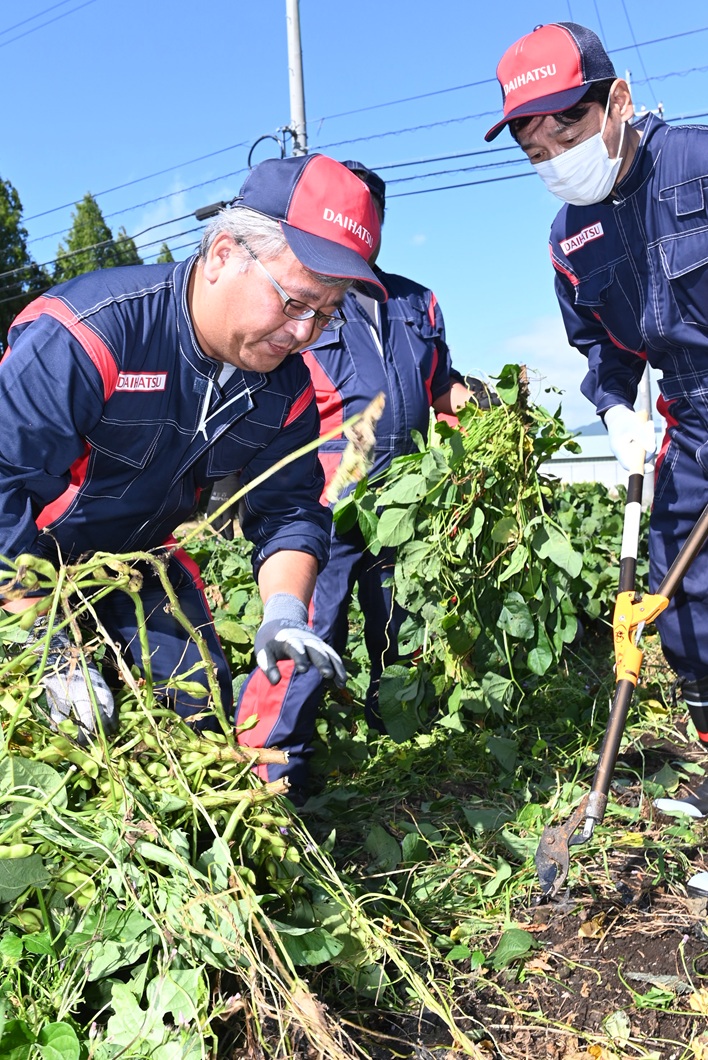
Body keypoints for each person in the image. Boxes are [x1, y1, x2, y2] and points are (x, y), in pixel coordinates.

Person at [0, 153, 387, 746]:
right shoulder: (90, 333)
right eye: (293, 302)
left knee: (196, 716)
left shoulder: (283, 389)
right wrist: (49, 646)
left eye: (324, 315)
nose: (304, 333)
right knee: (42, 735)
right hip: (23, 558)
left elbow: (288, 510)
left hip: (138, 562)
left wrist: (284, 612)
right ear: (224, 253)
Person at [487, 21, 708, 891]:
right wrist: (616, 407)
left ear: (617, 103)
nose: (553, 156)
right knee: (685, 610)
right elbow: (604, 351)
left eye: (567, 129)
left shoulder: (698, 163)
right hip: (688, 424)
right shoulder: (569, 240)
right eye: (534, 146)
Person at [234, 161, 475, 802]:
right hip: (327, 492)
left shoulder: (415, 301)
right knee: (309, 625)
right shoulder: (305, 292)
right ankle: (271, 770)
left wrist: (471, 399)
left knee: (402, 628)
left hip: (406, 496)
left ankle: (395, 747)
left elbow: (438, 382)